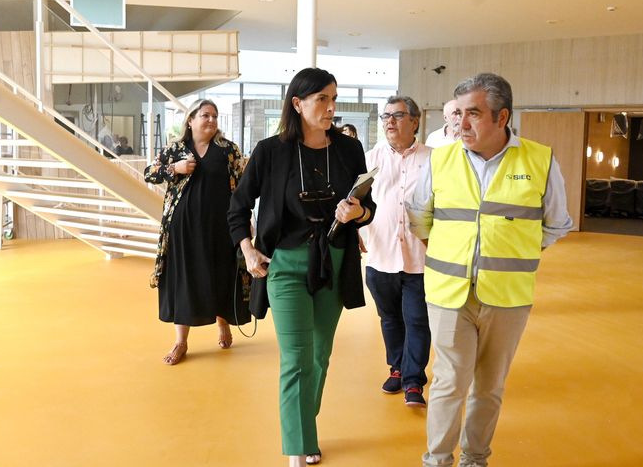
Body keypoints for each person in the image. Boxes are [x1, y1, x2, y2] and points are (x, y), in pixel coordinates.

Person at [407, 73, 572, 467]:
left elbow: (556, 224)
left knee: (490, 387)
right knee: (449, 381)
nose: (460, 124)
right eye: (458, 113)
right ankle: (438, 460)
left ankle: (476, 459)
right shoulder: (440, 158)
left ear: (502, 117)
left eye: (473, 114)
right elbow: (418, 215)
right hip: (449, 292)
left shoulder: (540, 160)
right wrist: (451, 251)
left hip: (508, 296)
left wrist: (512, 251)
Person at [228, 67, 375, 467]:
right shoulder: (270, 151)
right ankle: (298, 445)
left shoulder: (348, 150)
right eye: (321, 99)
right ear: (298, 103)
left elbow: (369, 208)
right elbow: (238, 207)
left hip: (334, 259)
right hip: (284, 264)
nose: (331, 107)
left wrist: (357, 213)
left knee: (319, 355)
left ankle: (302, 426)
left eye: (333, 98)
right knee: (296, 356)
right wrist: (247, 248)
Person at [144, 99, 251, 365]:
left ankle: (222, 321)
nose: (212, 121)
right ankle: (181, 341)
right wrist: (174, 169)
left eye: (215, 116)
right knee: (184, 280)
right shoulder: (175, 149)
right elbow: (149, 173)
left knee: (222, 274)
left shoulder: (228, 150)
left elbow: (242, 186)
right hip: (183, 228)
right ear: (190, 119)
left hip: (220, 226)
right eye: (206, 115)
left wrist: (246, 220)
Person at [362, 95, 431, 407]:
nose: (390, 121)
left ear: (414, 121)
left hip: (420, 257)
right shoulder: (370, 158)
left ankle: (414, 380)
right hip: (380, 253)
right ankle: (398, 367)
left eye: (398, 115)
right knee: (390, 318)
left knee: (417, 319)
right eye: (385, 116)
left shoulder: (434, 158)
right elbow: (356, 201)